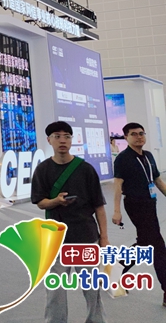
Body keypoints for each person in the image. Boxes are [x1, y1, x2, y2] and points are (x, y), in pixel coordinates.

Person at [31, 121, 108, 323]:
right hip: (56, 239)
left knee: (91, 289)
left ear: (72, 140)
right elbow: (40, 202)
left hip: (85, 235)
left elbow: (99, 206)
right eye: (57, 136)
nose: (62, 140)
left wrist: (104, 238)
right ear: (49, 140)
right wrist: (56, 201)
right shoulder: (42, 170)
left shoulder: (86, 169)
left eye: (67, 136)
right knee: (55, 290)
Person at [111, 122, 166, 307]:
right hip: (135, 204)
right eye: (134, 134)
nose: (139, 137)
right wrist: (116, 210)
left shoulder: (148, 156)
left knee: (145, 243)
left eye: (141, 133)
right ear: (126, 137)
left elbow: (157, 180)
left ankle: (114, 272)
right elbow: (117, 185)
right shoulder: (123, 159)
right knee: (158, 245)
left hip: (150, 203)